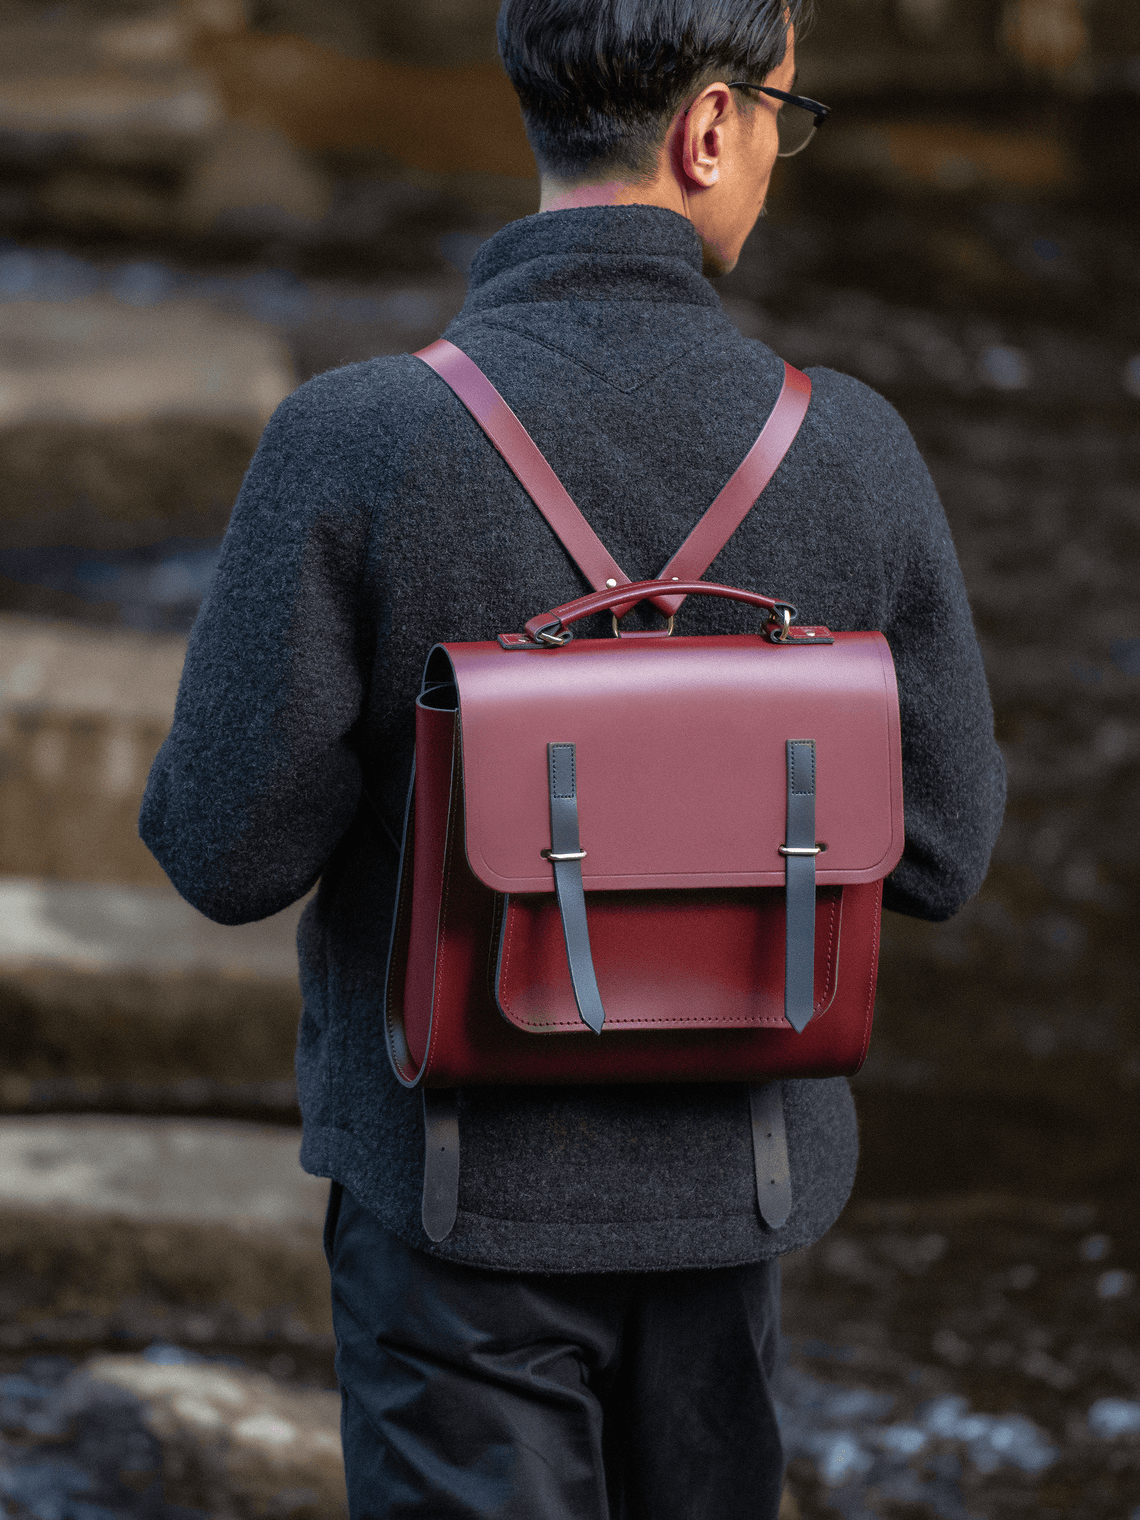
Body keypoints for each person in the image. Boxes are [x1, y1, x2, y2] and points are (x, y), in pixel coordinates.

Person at [140, 0, 1006, 1513]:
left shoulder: (354, 440)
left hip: (452, 1212)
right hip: (737, 1199)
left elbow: (223, 856)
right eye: (786, 122)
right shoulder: (850, 448)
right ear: (711, 128)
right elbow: (943, 849)